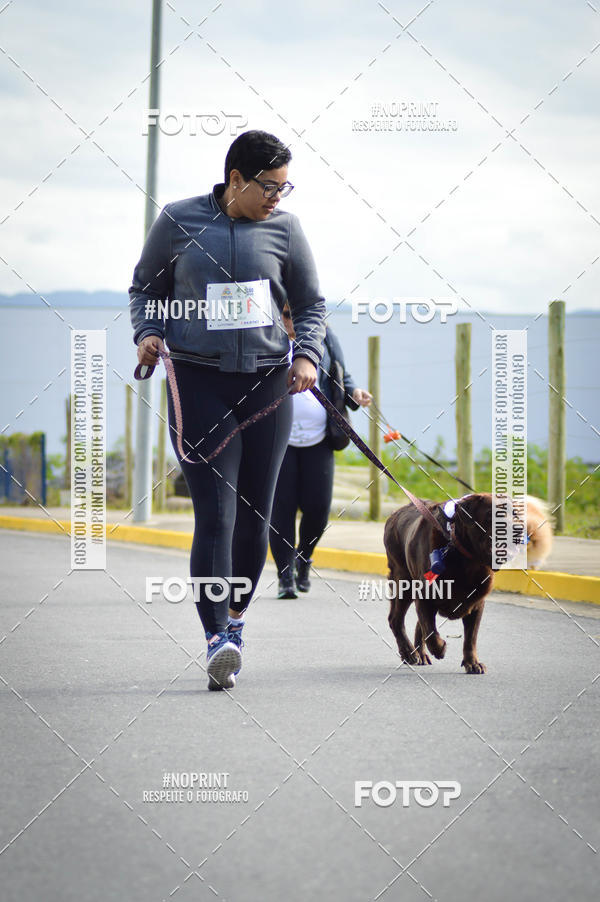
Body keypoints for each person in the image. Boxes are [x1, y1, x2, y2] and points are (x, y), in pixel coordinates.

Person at [129, 130, 326, 690]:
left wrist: (307, 354)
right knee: (216, 514)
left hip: (267, 387)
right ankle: (215, 636)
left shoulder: (286, 230)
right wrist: (147, 331)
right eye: (269, 187)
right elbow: (145, 288)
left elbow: (311, 304)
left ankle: (235, 622)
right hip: (196, 381)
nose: (277, 199)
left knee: (256, 517)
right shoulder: (179, 220)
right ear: (235, 179)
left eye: (286, 189)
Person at [269, 308, 371, 598]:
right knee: (281, 512)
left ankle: (304, 557)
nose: (292, 320)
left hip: (321, 439)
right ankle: (284, 576)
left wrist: (355, 392)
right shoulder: (267, 340)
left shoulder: (324, 338)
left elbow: (341, 372)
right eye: (287, 314)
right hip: (279, 441)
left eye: (295, 313)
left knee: (318, 510)